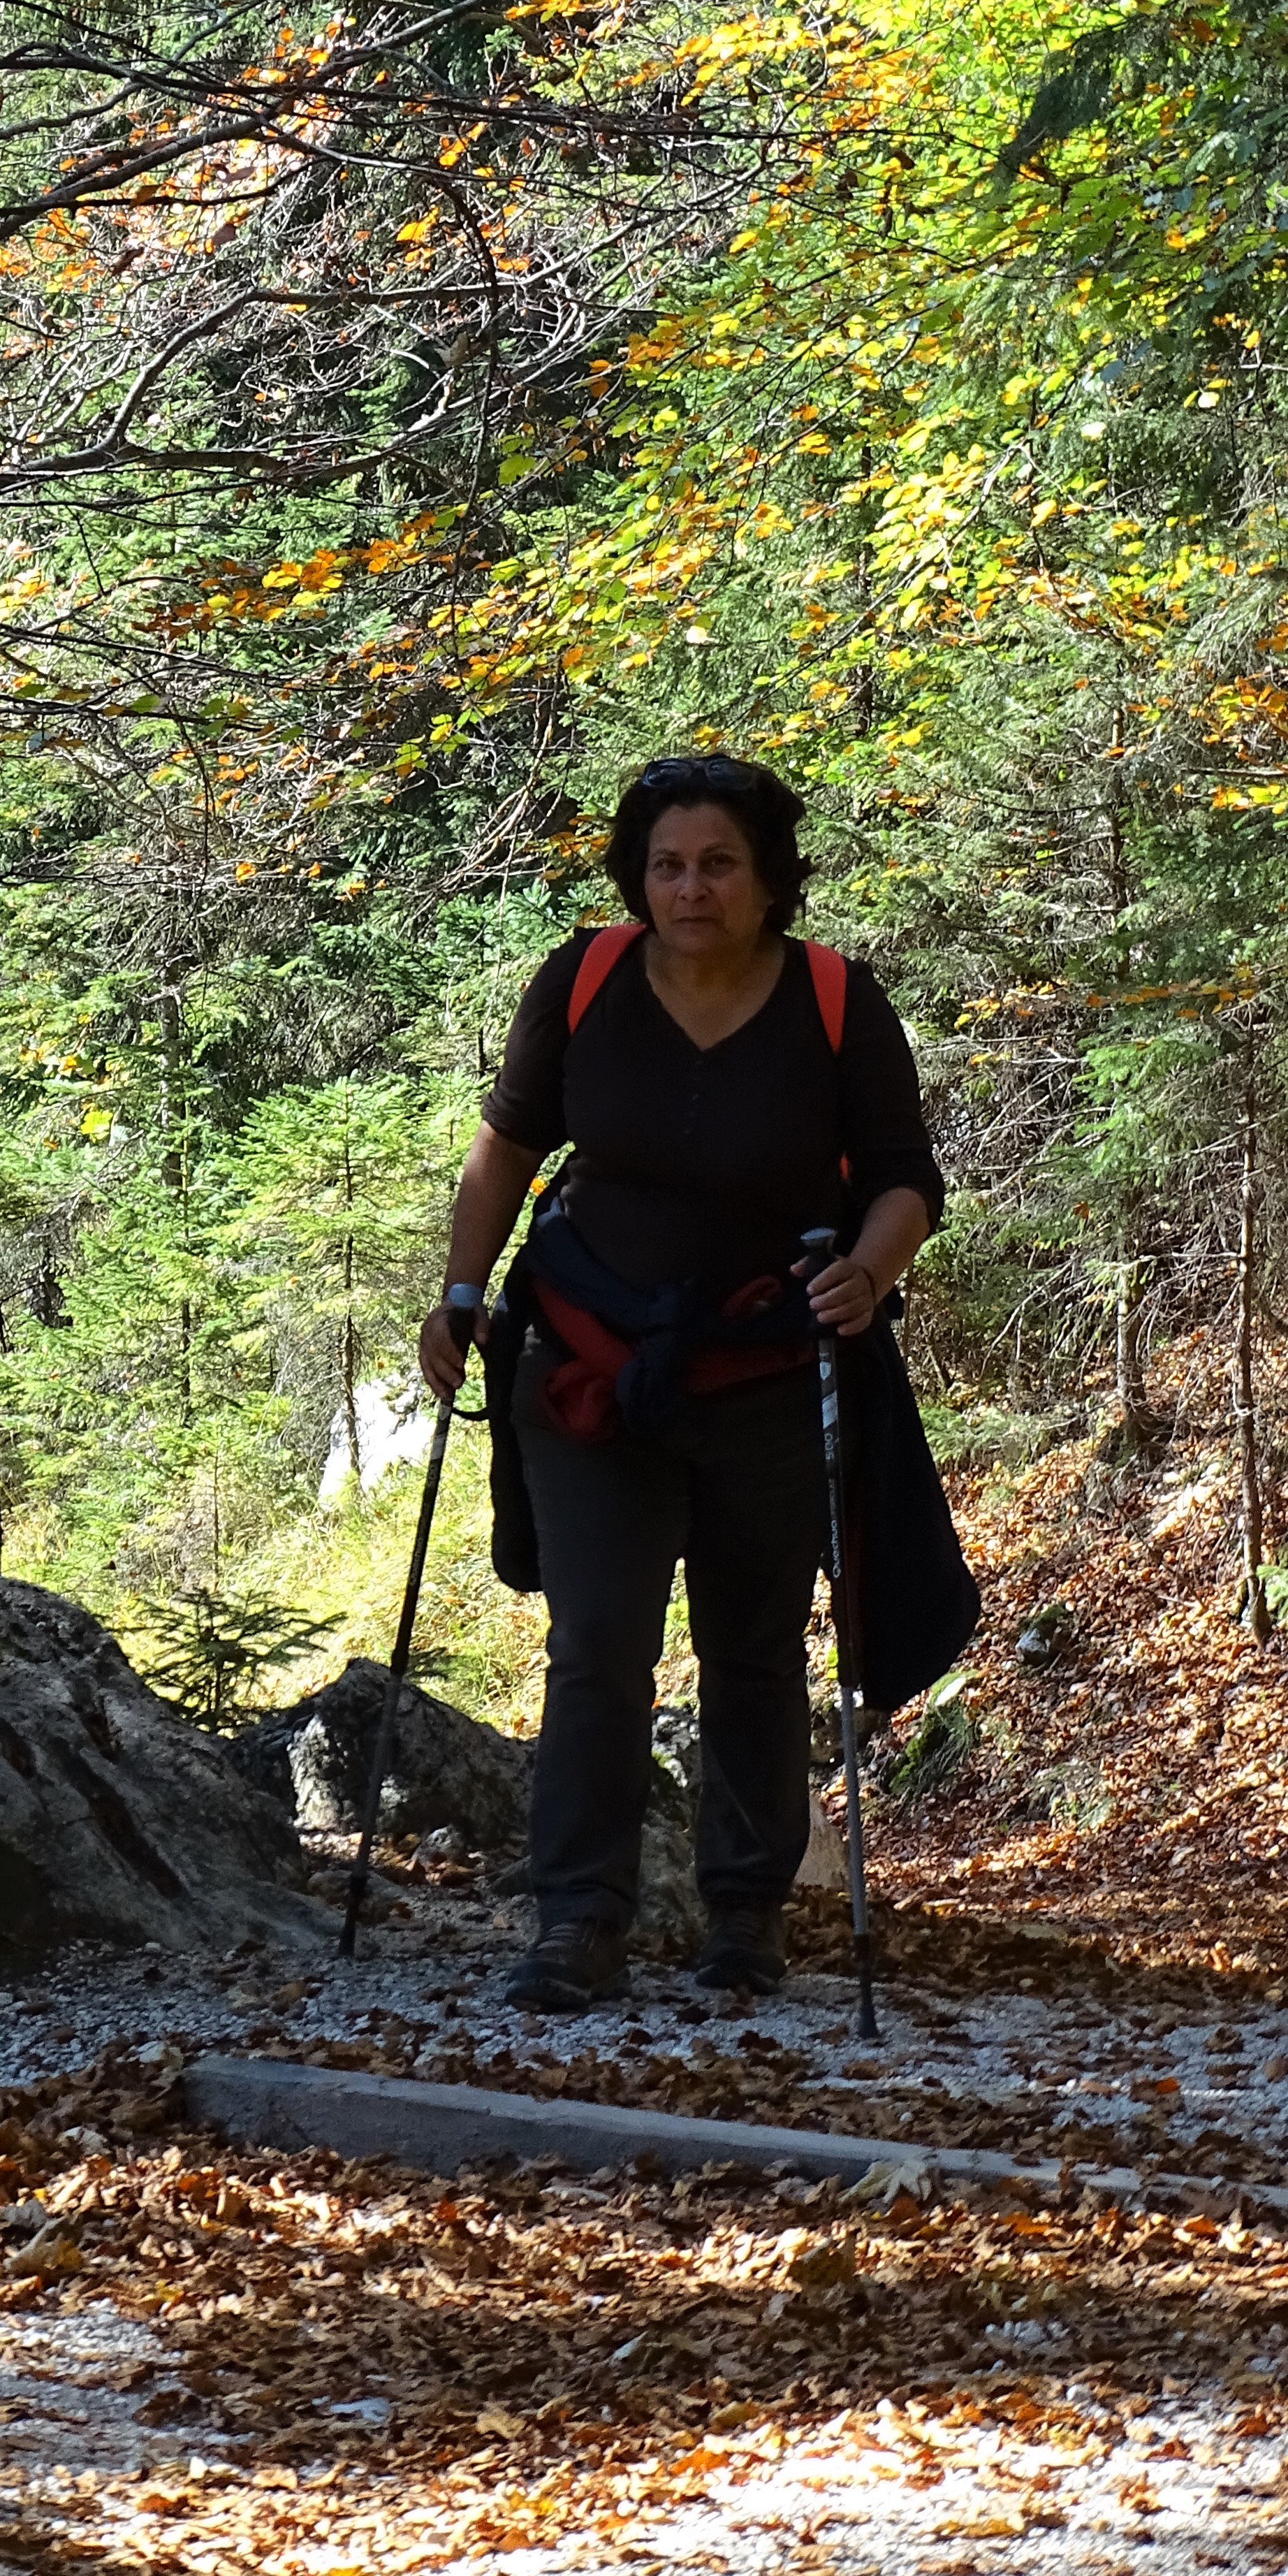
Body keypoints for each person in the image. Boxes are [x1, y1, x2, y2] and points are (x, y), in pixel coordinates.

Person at [418, 752, 943, 2012]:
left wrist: (867, 1275)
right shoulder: (583, 980)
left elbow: (902, 1177)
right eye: (666, 865)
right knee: (596, 1642)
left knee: (752, 1648)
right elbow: (504, 1153)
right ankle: (575, 1920)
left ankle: (744, 1917)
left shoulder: (834, 1001)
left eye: (717, 865)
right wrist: (457, 1291)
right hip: (585, 1363)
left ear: (769, 882)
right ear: (635, 877)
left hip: (765, 1369)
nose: (690, 889)